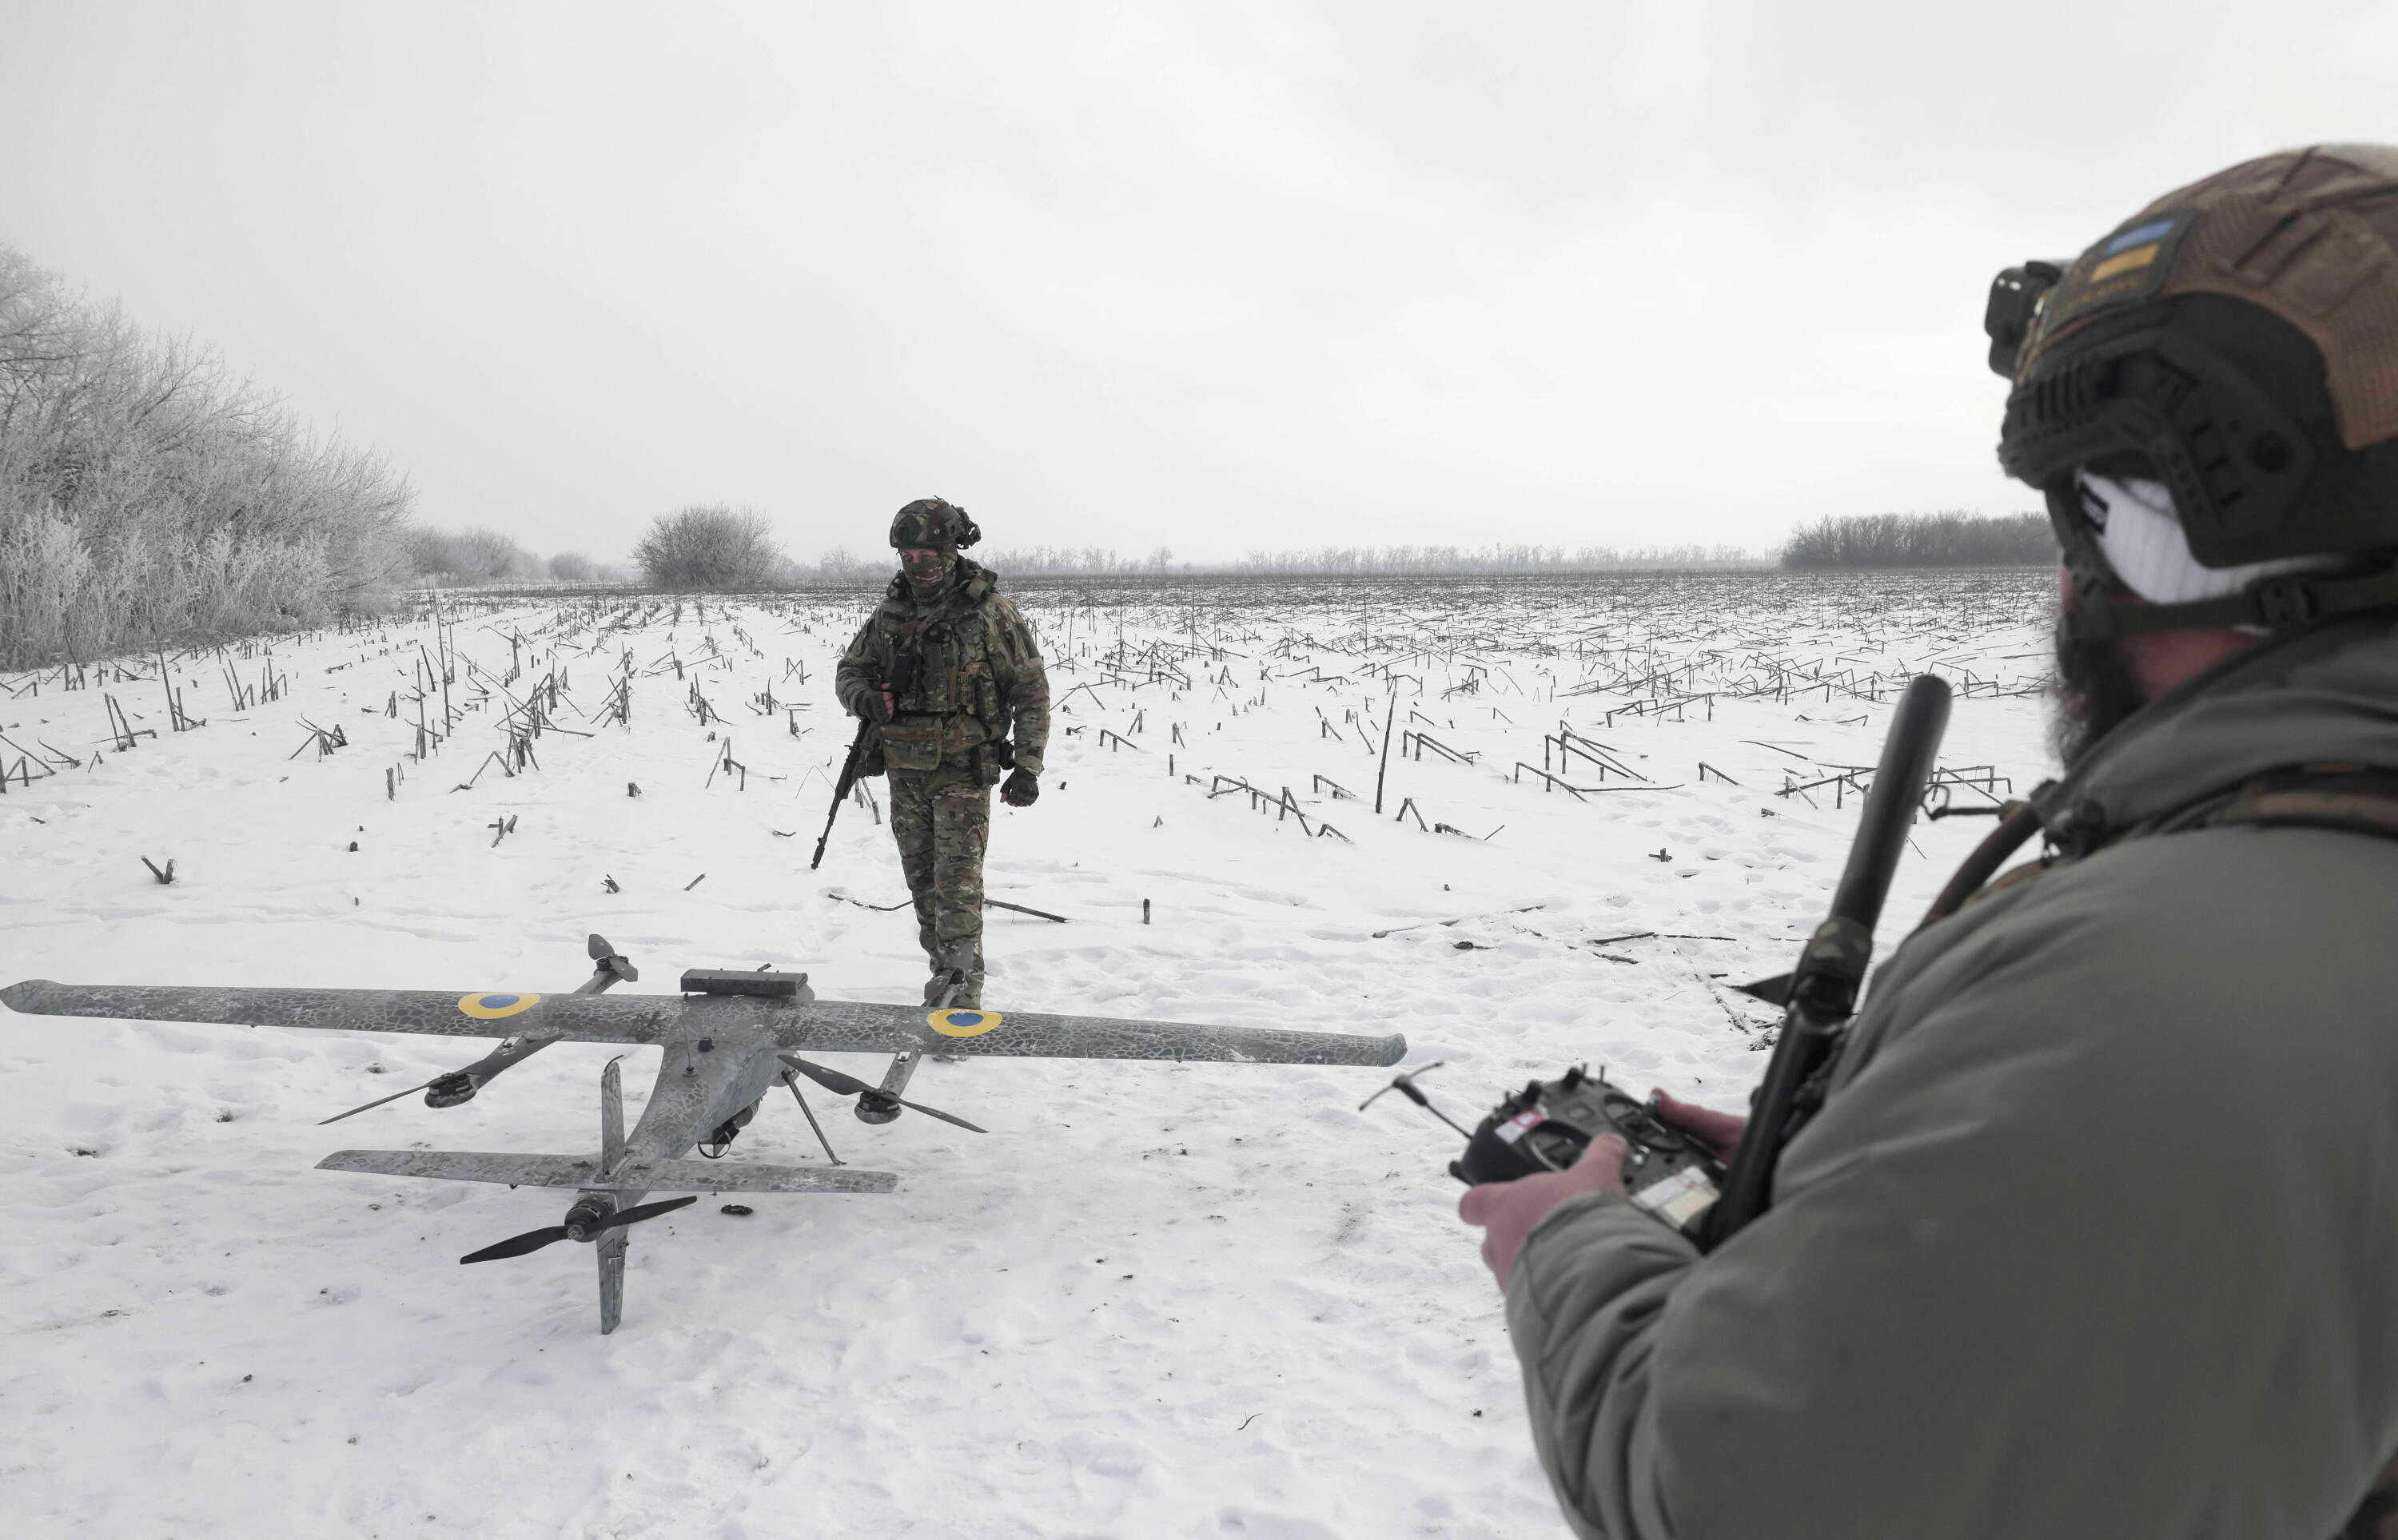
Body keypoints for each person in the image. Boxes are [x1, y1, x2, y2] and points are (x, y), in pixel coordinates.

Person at [1460, 144, 2398, 1540]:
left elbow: (1760, 1494)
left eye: (2089, 520)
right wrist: (1912, 1145)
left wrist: (1569, 1250)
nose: (2064, 587)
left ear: (2182, 536)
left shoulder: (2156, 996)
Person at [834, 498, 1050, 1009]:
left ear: (952, 551)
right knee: (924, 888)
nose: (918, 566)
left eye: (929, 556)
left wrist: (1030, 765)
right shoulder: (890, 613)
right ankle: (944, 978)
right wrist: (865, 697)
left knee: (957, 888)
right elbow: (850, 671)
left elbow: (1030, 689)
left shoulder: (988, 612)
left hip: (962, 771)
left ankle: (962, 996)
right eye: (909, 557)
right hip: (905, 772)